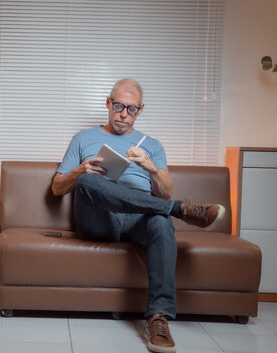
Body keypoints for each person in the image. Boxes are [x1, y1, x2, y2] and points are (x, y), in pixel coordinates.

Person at [51, 78, 225, 353]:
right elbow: (57, 188)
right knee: (88, 182)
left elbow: (165, 192)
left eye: (131, 109)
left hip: (138, 218)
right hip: (99, 219)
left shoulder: (152, 145)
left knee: (160, 220)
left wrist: (151, 168)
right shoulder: (82, 138)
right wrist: (79, 171)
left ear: (140, 110)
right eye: (119, 106)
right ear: (108, 103)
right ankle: (183, 210)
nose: (123, 114)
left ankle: (158, 318)